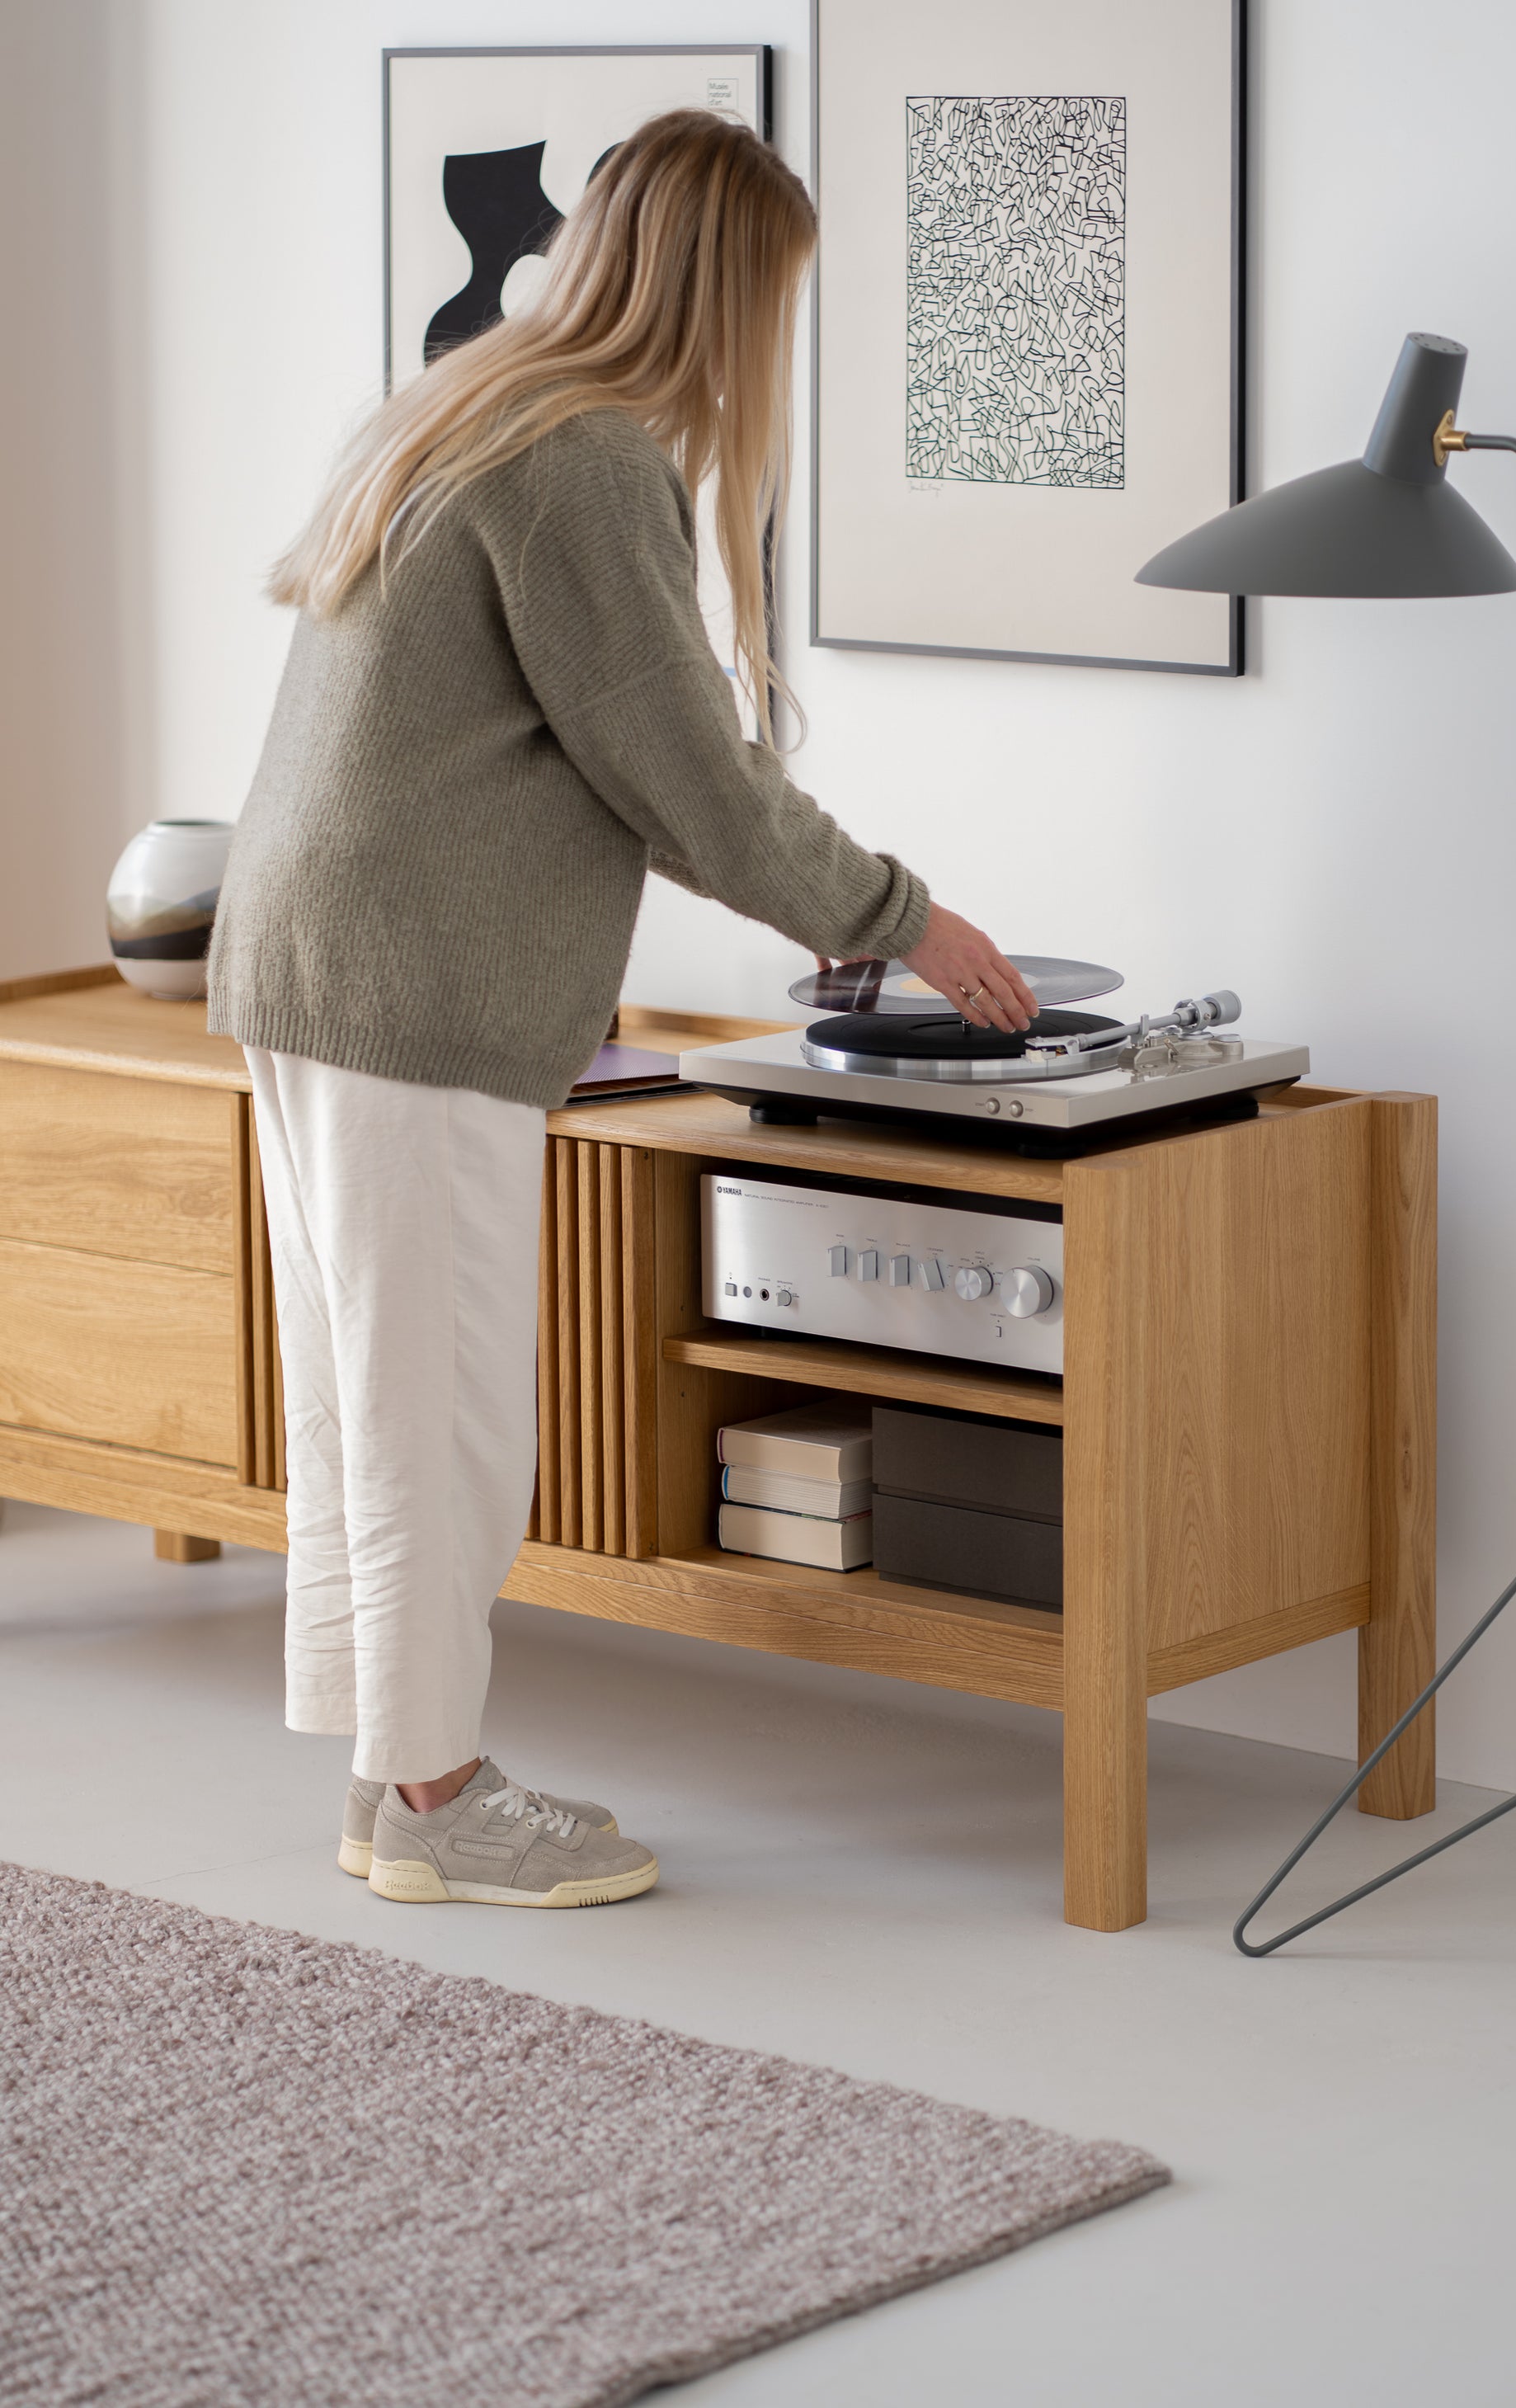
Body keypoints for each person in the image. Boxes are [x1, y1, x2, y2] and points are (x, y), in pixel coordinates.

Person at [207, 109, 1038, 1912]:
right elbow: (688, 780)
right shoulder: (584, 459)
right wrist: (909, 920)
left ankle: (390, 1776)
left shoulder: (469, 405)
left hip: (304, 954)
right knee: (440, 1414)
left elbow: (619, 768)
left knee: (367, 1399)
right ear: (729, 290)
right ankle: (435, 1798)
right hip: (416, 981)